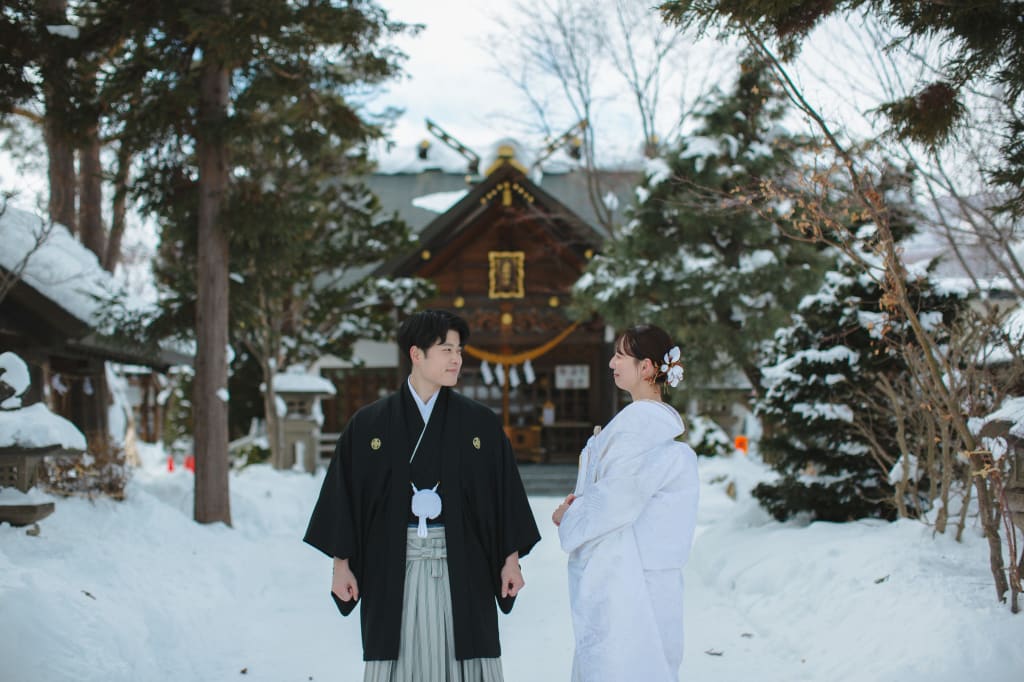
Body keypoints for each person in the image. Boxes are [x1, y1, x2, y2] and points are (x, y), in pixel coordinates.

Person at [304, 309, 541, 682]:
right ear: (416, 354)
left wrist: (510, 560)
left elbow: (504, 495)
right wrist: (341, 565)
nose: (456, 359)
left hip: (466, 563)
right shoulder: (369, 424)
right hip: (393, 562)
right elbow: (344, 496)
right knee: (399, 658)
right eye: (446, 349)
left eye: (459, 350)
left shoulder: (479, 423)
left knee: (468, 658)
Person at [552, 324, 700, 682]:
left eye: (620, 355)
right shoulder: (646, 427)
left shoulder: (637, 427)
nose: (611, 363)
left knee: (622, 664)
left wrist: (570, 516)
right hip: (646, 572)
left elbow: (613, 502)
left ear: (647, 367)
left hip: (627, 577)